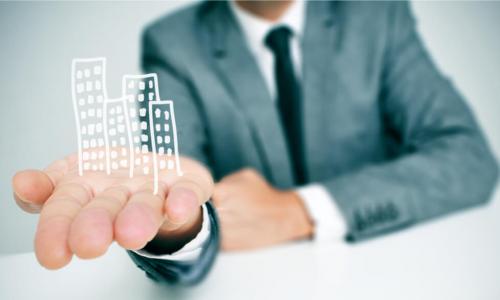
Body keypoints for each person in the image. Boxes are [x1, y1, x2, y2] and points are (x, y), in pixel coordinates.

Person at [11, 0, 498, 285]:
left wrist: (298, 209)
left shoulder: (377, 15)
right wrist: (177, 226)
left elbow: (469, 157)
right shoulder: (173, 42)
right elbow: (176, 180)